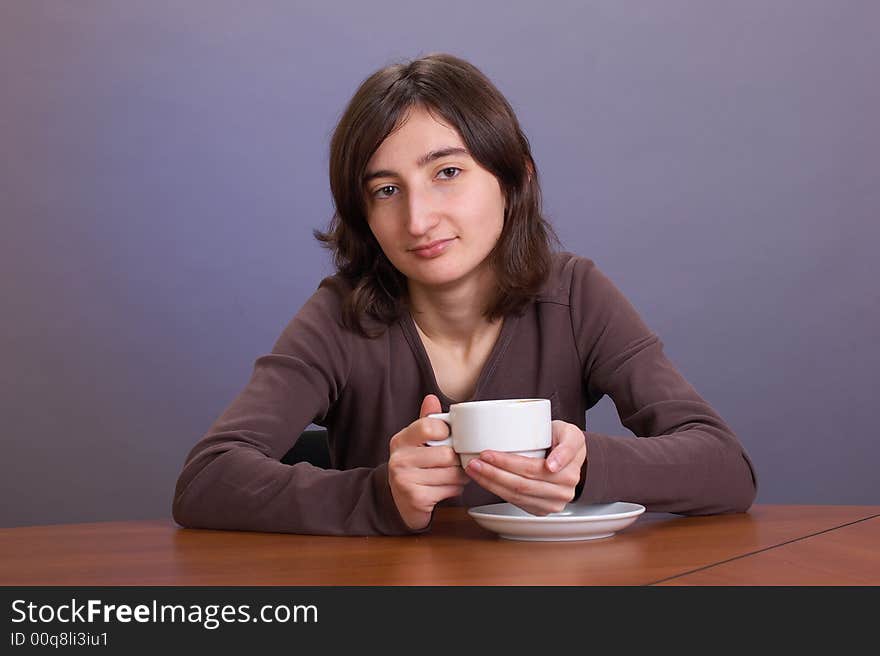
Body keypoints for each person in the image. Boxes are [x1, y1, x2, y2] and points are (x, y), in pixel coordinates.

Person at [172, 52, 757, 536]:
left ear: (514, 177)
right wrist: (378, 495)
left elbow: (726, 468)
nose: (418, 218)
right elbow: (206, 480)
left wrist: (581, 467)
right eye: (384, 189)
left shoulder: (575, 295)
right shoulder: (340, 314)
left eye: (447, 172)